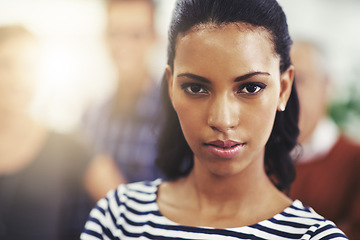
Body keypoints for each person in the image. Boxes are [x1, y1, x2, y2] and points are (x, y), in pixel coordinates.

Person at [81, 0, 348, 239]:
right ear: (172, 87)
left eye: (251, 87)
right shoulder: (117, 217)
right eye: (196, 88)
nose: (222, 119)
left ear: (284, 88)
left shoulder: (313, 236)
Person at [0, 25, 94, 240]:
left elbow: (127, 209)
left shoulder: (65, 144)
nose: (18, 78)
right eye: (6, 65)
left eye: (28, 67)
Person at [82, 0, 163, 200]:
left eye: (135, 35)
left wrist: (111, 193)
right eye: (114, 33)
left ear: (154, 38)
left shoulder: (176, 116)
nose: (123, 45)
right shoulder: (90, 116)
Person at [289, 40, 360, 239]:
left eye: (300, 80)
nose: (286, 92)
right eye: (279, 79)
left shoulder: (354, 160)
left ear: (327, 86)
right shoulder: (254, 155)